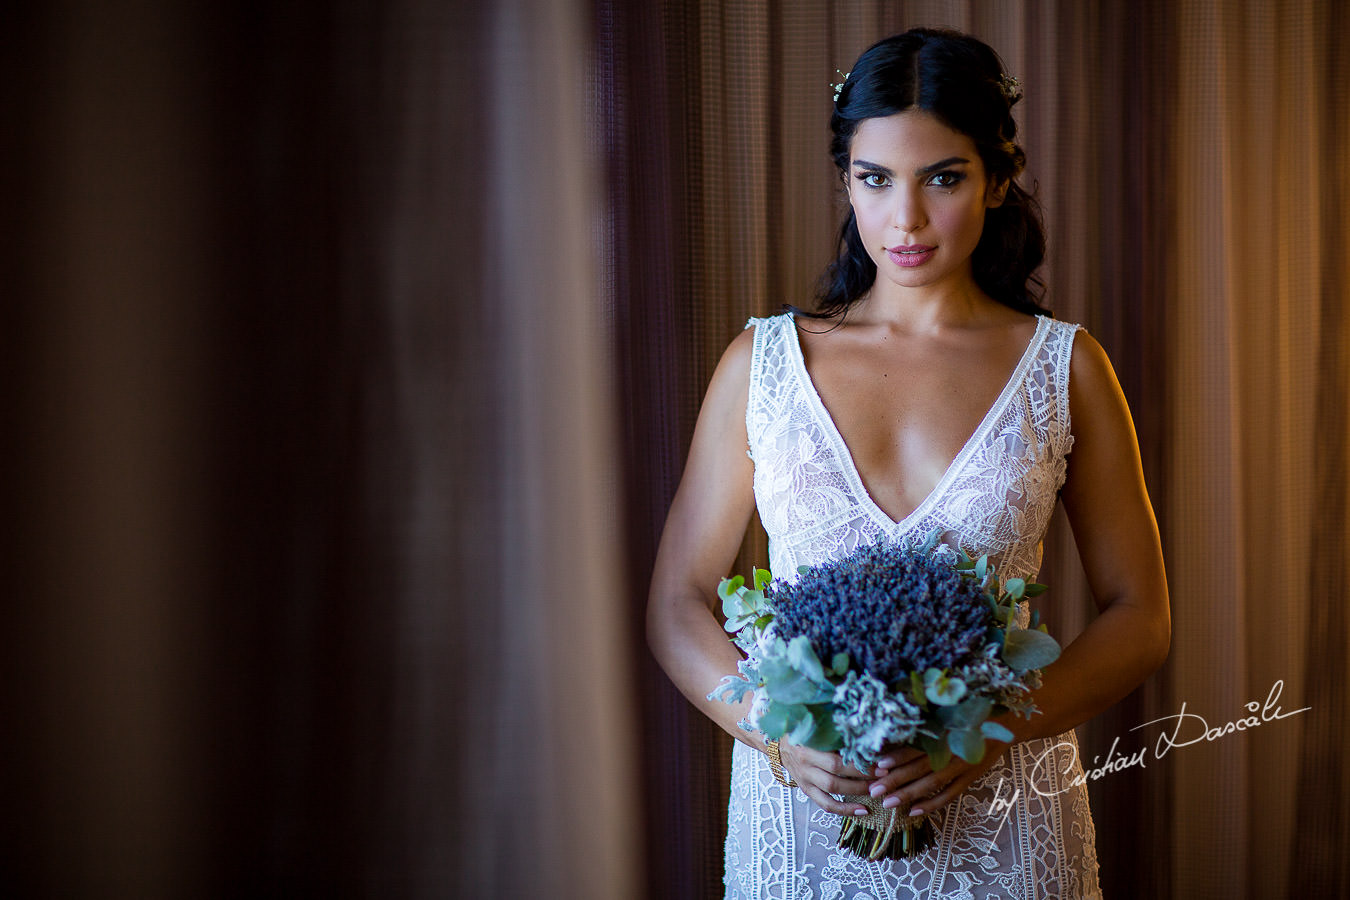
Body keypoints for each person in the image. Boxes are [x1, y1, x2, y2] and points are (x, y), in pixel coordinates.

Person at [646, 27, 1170, 899]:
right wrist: (778, 735)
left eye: (944, 178)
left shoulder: (1065, 369)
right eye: (876, 178)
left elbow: (1140, 616)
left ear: (998, 180)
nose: (907, 220)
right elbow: (676, 600)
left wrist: (995, 730)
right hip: (803, 827)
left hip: (1008, 825)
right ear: (847, 179)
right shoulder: (764, 365)